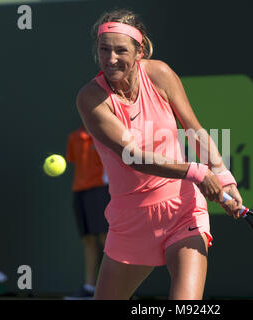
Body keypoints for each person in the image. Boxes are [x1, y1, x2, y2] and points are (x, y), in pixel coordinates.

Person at [76, 9, 243, 300]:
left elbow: (194, 129)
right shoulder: (90, 98)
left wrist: (223, 175)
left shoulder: (160, 74)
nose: (111, 58)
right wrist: (197, 171)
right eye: (104, 50)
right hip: (131, 221)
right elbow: (133, 156)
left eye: (120, 50)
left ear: (139, 51)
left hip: (184, 211)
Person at [64, 125, 110, 299]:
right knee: (88, 239)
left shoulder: (104, 134)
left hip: (101, 190)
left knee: (106, 239)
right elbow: (75, 161)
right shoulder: (74, 136)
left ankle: (115, 289)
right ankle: (89, 287)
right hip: (80, 192)